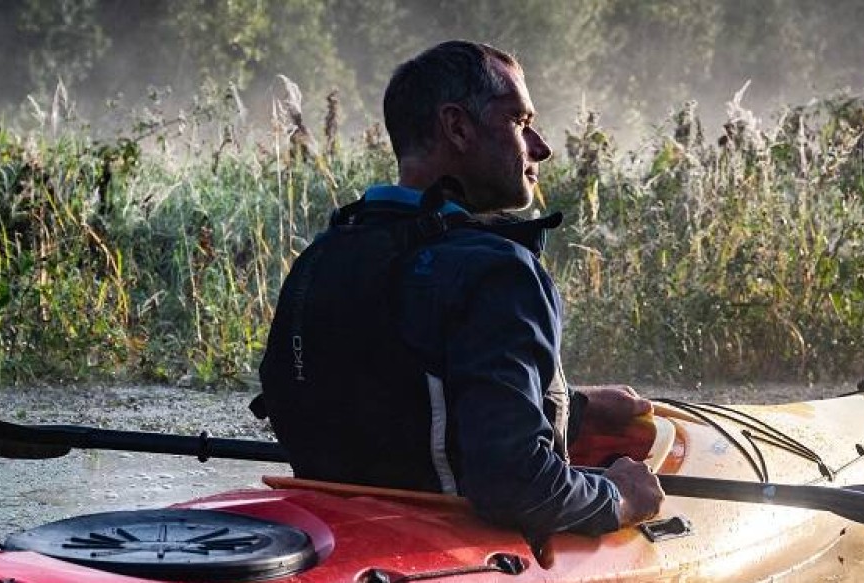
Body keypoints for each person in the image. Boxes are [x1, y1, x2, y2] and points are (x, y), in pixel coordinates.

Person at [255, 40, 664, 565]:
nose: (539, 147)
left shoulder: (325, 255)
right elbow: (515, 484)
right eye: (519, 121)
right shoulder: (498, 272)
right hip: (444, 556)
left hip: (328, 538)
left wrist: (573, 409)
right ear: (458, 128)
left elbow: (399, 401)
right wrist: (620, 497)